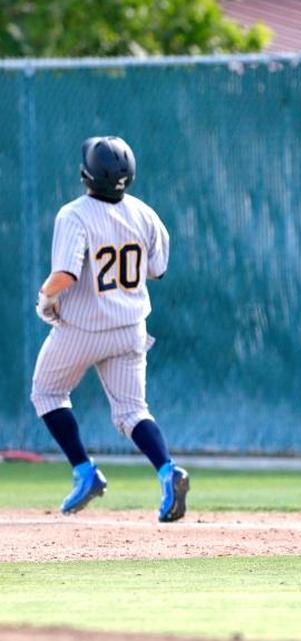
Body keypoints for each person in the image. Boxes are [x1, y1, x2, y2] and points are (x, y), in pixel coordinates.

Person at [31, 136, 190, 522]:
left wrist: (44, 296)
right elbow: (158, 269)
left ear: (86, 175)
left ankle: (85, 472)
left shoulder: (74, 214)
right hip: (130, 328)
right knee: (133, 411)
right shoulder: (145, 214)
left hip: (83, 328)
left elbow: (66, 273)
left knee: (47, 393)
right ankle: (168, 471)